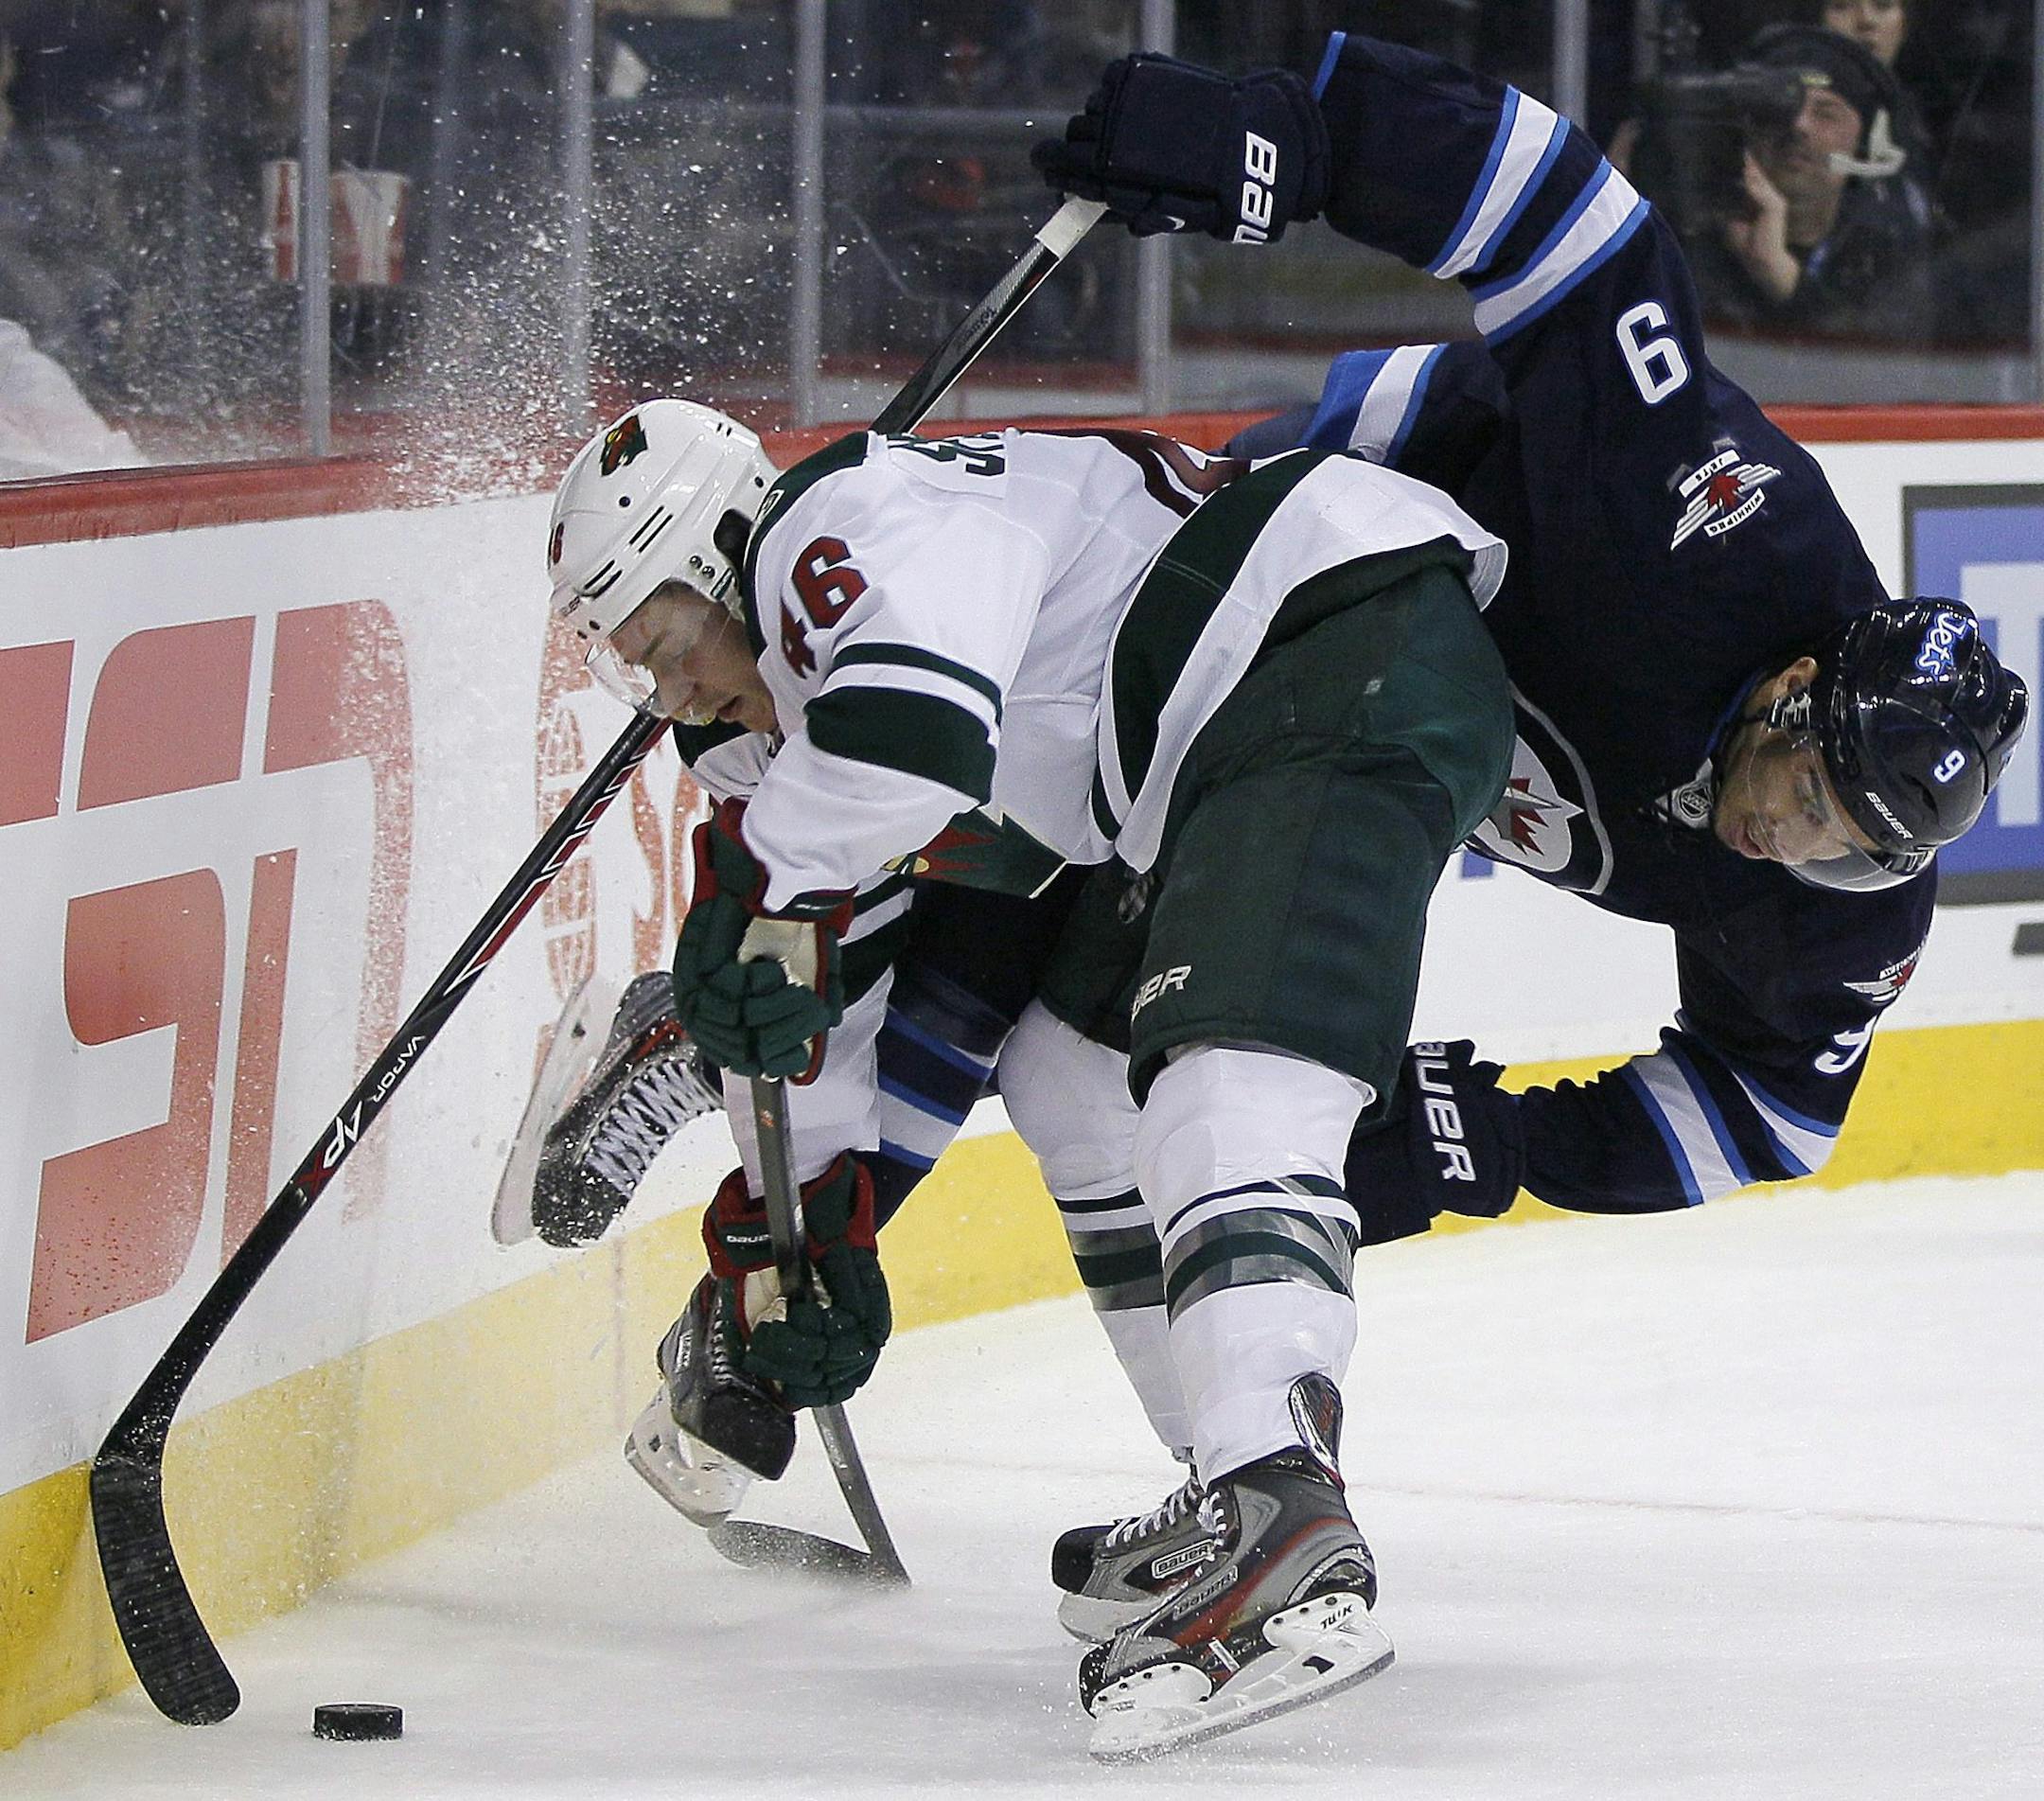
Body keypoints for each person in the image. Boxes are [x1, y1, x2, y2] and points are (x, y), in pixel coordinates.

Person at [1019, 27, 2023, 1631]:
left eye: (1849, 847)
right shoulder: (1691, 514)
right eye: (1808, 795)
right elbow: (1572, 214)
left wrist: (1504, 1144)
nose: (1791, 843)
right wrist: (1289, 139)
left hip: (1417, 695)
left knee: (1090, 1006)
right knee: (1032, 747)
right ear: (1792, 684)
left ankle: (1240, 1468)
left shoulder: (1842, 914)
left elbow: (1765, 1113)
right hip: (1348, 512)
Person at [539, 393, 1518, 1756]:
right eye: (631, 670)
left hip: (1315, 641)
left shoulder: (839, 525)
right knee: (1075, 1079)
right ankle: (1226, 1476)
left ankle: (1276, 1511)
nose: (669, 694)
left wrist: (755, 886)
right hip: (1208, 749)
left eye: (663, 641)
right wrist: (809, 1233)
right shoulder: (787, 726)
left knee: (1228, 1081)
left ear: (718, 558)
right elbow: (829, 1004)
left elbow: (911, 742)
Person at [1679, 25, 1936, 339]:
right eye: (1778, 109)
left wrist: (1783, 279)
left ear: (1864, 143)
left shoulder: (1890, 265)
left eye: (1826, 114)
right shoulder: (1688, 247)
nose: (1798, 126)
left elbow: (1882, 374)